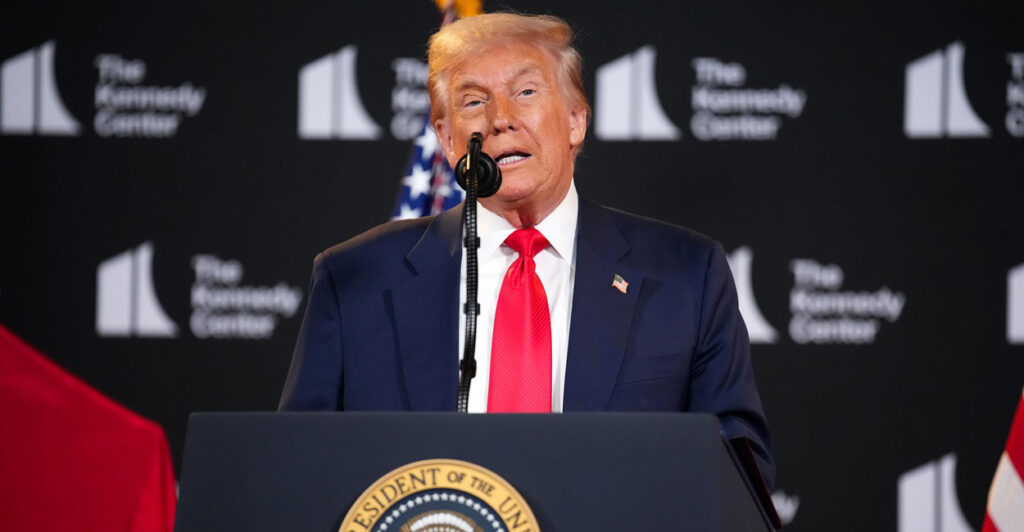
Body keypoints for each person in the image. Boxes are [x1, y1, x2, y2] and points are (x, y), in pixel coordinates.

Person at [279, 12, 774, 488]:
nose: (501, 120)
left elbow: (735, 471)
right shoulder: (355, 278)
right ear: (448, 139)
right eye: (473, 103)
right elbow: (299, 470)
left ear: (576, 119)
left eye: (526, 92)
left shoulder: (686, 273)